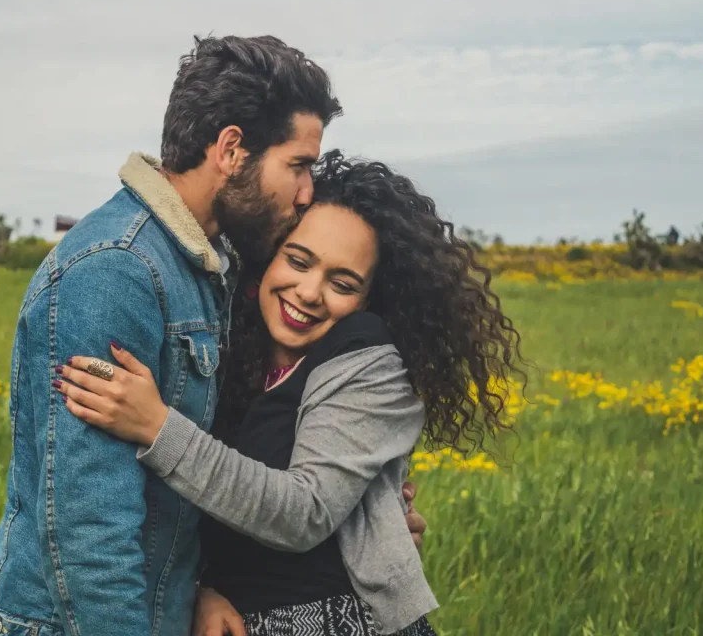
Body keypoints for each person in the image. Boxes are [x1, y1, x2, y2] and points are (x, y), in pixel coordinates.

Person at [0, 36, 425, 636]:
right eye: (298, 165)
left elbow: (185, 492)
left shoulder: (211, 264)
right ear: (232, 150)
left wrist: (197, 589)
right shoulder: (117, 270)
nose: (308, 190)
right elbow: (90, 531)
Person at [55, 151, 524, 635]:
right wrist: (200, 588)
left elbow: (303, 512)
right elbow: (199, 504)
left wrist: (156, 427)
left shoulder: (370, 360)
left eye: (342, 283)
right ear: (266, 258)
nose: (308, 291)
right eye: (298, 261)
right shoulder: (226, 351)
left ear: (368, 300)